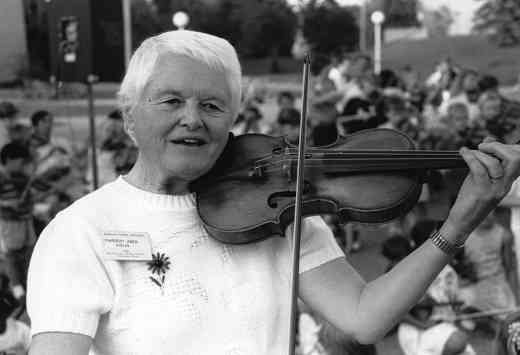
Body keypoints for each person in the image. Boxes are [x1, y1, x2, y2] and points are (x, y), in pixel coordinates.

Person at [27, 30, 520, 355]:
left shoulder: (277, 210)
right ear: (130, 115)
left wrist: (460, 222)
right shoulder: (81, 232)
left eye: (214, 105)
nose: (193, 119)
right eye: (171, 100)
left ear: (232, 121)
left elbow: (364, 318)